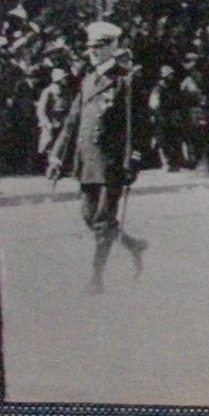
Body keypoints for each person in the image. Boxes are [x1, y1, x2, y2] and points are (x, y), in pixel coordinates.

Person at [45, 21, 147, 294]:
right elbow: (73, 121)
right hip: (87, 159)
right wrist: (57, 157)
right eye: (91, 47)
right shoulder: (88, 80)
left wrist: (133, 160)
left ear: (114, 47)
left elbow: (137, 123)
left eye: (100, 46)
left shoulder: (126, 79)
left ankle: (96, 279)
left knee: (102, 221)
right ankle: (132, 244)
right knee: (88, 216)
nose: (93, 52)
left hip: (113, 162)